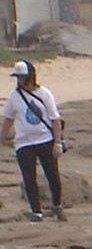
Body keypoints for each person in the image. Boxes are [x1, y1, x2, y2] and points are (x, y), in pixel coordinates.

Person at [1, 60, 65, 222]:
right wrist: (2, 137)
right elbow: (8, 118)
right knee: (29, 177)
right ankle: (36, 211)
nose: (20, 81)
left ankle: (57, 205)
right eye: (18, 78)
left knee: (52, 175)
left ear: (31, 77)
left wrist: (57, 142)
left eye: (23, 77)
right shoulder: (15, 96)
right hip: (24, 143)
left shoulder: (44, 94)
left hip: (45, 140)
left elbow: (55, 120)